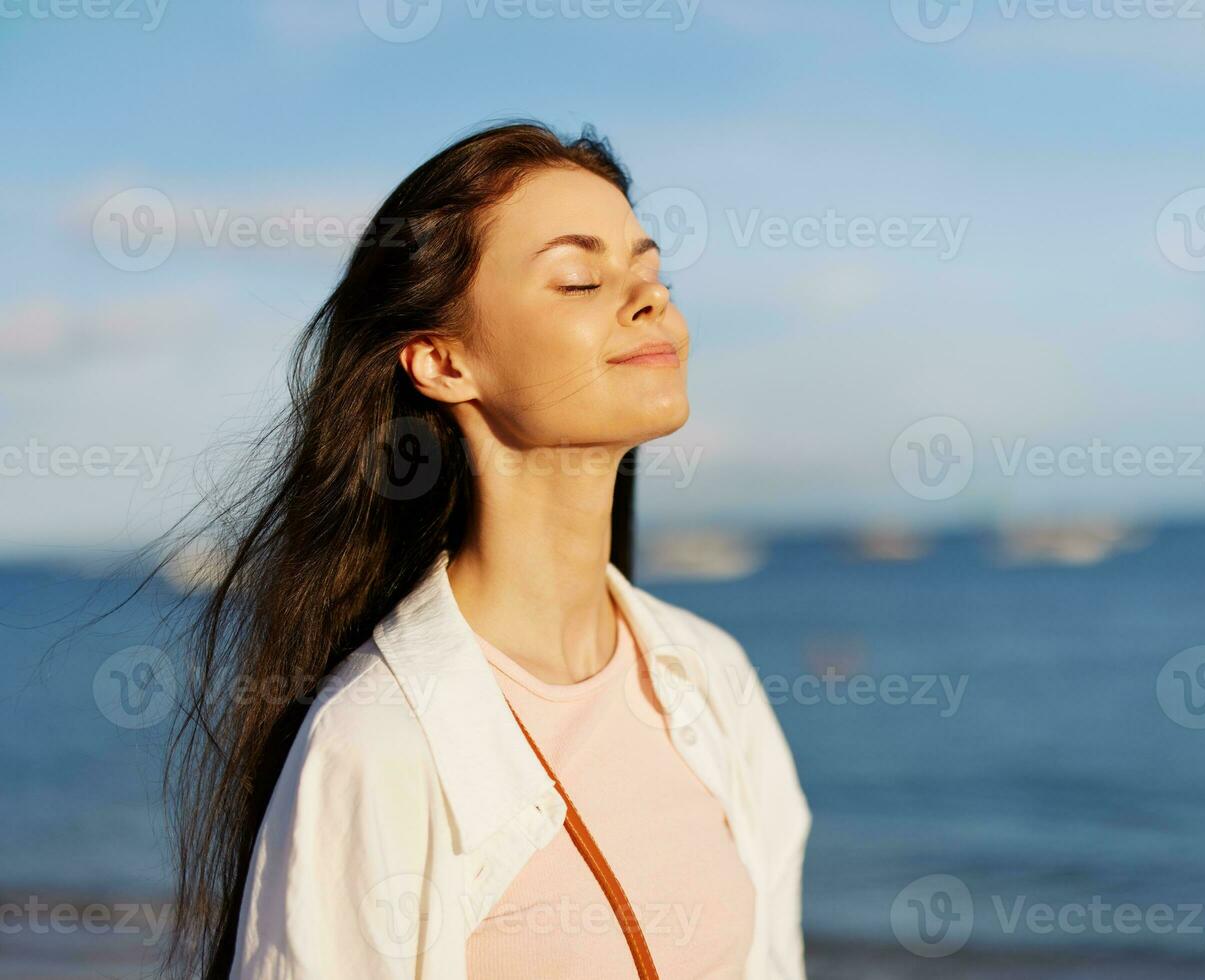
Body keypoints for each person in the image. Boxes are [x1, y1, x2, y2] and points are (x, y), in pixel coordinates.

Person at [155, 121, 810, 979]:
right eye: (578, 280)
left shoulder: (711, 680)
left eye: (651, 272)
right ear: (442, 362)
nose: (650, 300)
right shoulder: (376, 743)